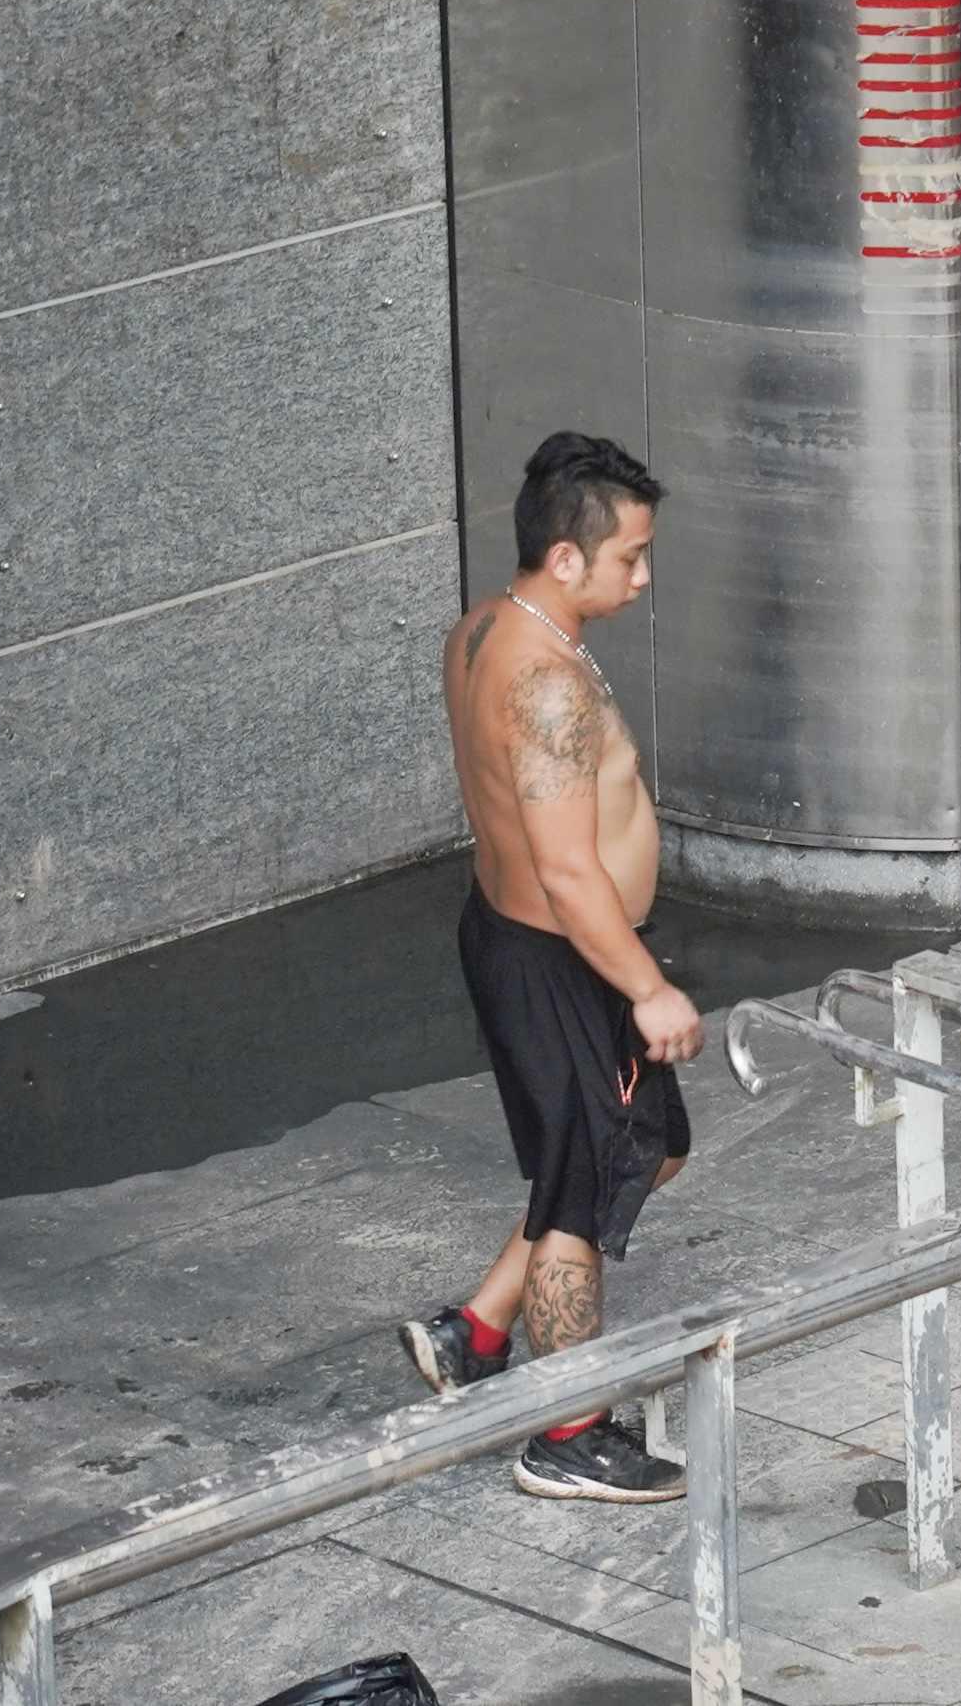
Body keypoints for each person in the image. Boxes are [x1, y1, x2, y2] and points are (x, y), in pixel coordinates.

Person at [399, 433, 705, 1503]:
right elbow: (570, 872)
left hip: (520, 938)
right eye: (631, 554)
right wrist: (646, 987)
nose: (644, 572)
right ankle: (568, 1431)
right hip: (562, 956)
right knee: (581, 1190)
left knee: (650, 1146)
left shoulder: (483, 628)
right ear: (566, 560)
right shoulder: (544, 688)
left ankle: (476, 1329)